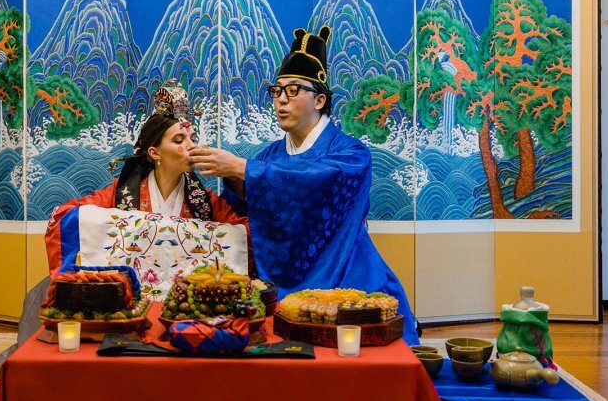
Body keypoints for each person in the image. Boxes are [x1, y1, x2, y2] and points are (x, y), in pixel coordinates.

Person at [188, 26, 419, 344]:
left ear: (320, 100)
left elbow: (316, 180)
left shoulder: (351, 154)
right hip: (283, 279)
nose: (281, 100)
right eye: (277, 91)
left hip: (348, 270)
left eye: (293, 91)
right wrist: (232, 175)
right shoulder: (269, 156)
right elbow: (249, 209)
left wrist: (242, 168)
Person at [45, 90, 248, 277]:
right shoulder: (123, 193)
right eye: (179, 140)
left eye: (192, 138)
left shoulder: (203, 201)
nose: (192, 146)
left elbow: (245, 236)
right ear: (154, 152)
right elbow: (66, 218)